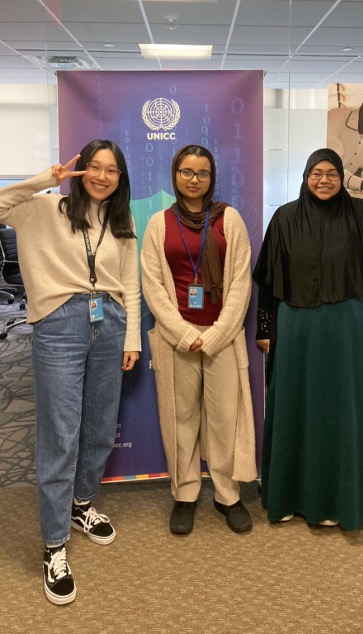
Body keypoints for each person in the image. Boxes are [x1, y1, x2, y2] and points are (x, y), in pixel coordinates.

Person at [0, 139, 141, 605]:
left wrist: (133, 338)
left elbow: (132, 284)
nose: (102, 176)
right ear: (80, 171)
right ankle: (54, 543)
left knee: (100, 427)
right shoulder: (44, 209)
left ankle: (82, 504)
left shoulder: (122, 221)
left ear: (121, 179)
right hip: (58, 326)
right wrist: (46, 178)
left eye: (112, 171)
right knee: (60, 433)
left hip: (111, 321)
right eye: (94, 168)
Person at [253, 148, 363, 531]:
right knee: (297, 407)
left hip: (348, 327)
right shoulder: (284, 218)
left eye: (332, 173)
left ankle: (339, 498)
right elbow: (267, 281)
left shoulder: (362, 216)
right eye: (317, 172)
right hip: (296, 328)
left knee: (341, 410)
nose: (324, 180)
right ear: (305, 175)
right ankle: (288, 496)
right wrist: (264, 329)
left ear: (341, 176)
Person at [141, 144, 256, 537]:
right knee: (181, 419)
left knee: (225, 420)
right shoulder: (159, 224)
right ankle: (185, 494)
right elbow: (153, 285)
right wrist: (185, 333)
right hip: (177, 340)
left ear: (212, 178)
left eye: (202, 173)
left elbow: (241, 281)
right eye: (186, 172)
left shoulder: (230, 220)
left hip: (223, 338)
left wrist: (218, 334)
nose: (194, 179)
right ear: (175, 175)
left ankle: (227, 495)